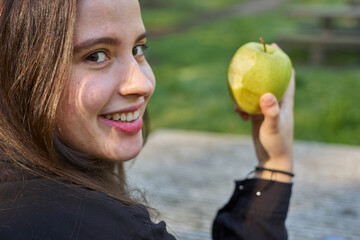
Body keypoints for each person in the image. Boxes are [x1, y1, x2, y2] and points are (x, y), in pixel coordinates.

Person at [0, 0, 295, 239]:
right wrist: (276, 165)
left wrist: (272, 163)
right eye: (96, 56)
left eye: (138, 49)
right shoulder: (111, 229)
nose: (143, 83)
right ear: (22, 70)